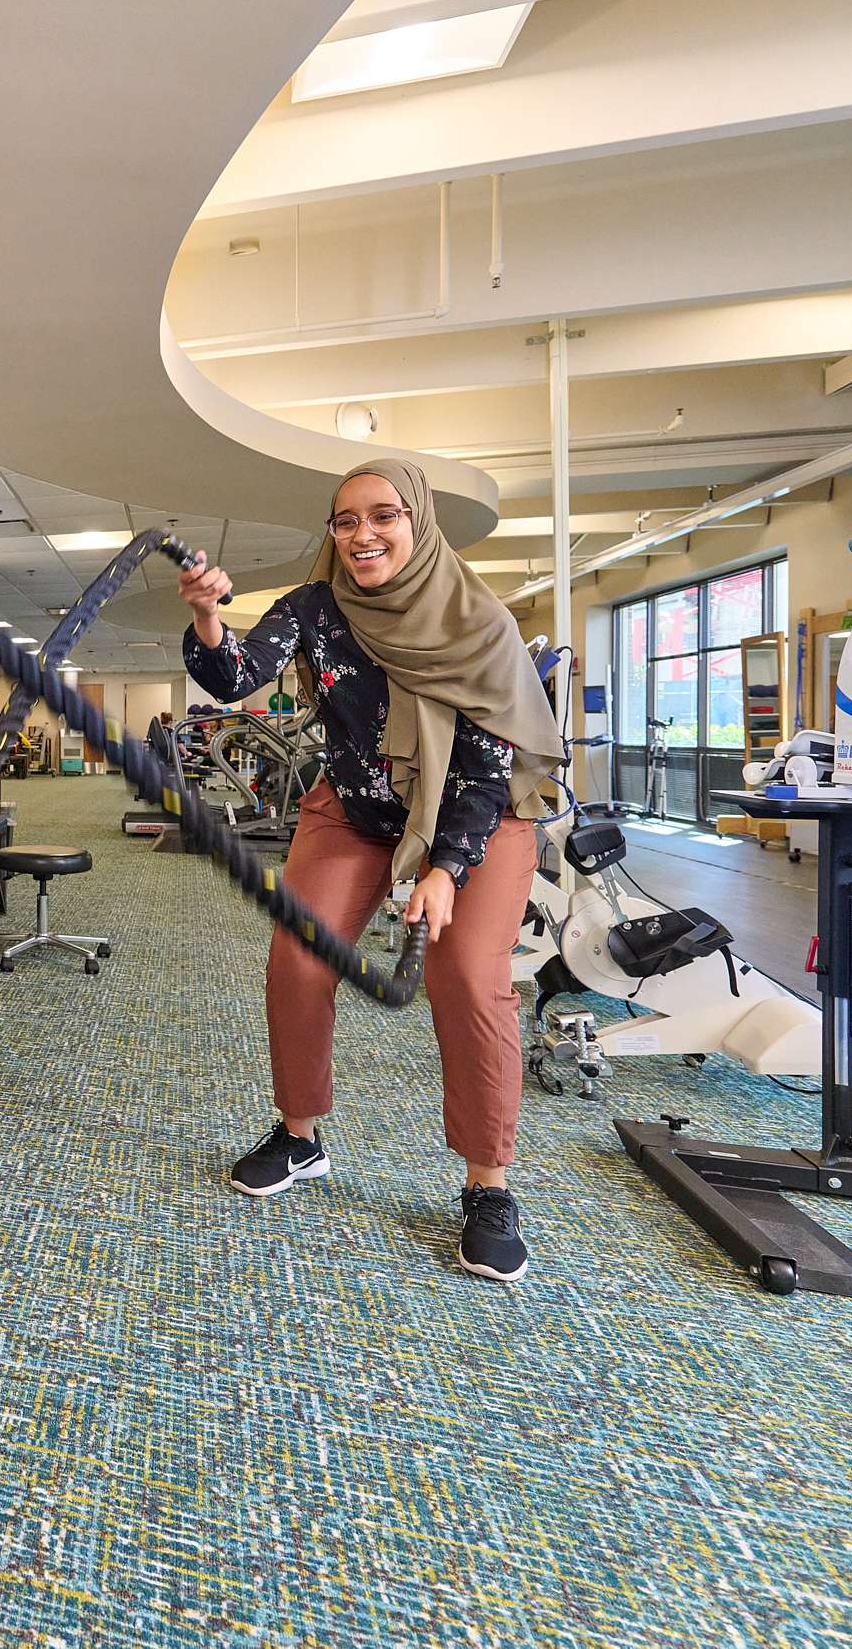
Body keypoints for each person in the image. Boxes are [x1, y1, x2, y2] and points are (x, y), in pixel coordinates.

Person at [177, 459, 562, 1282]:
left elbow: (488, 762)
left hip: (479, 814)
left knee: (465, 974)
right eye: (345, 521)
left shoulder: (478, 620)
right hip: (357, 805)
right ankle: (300, 1134)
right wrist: (211, 618)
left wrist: (445, 869)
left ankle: (488, 1184)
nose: (362, 535)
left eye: (382, 516)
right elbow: (235, 675)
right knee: (297, 956)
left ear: (417, 522)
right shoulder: (318, 607)